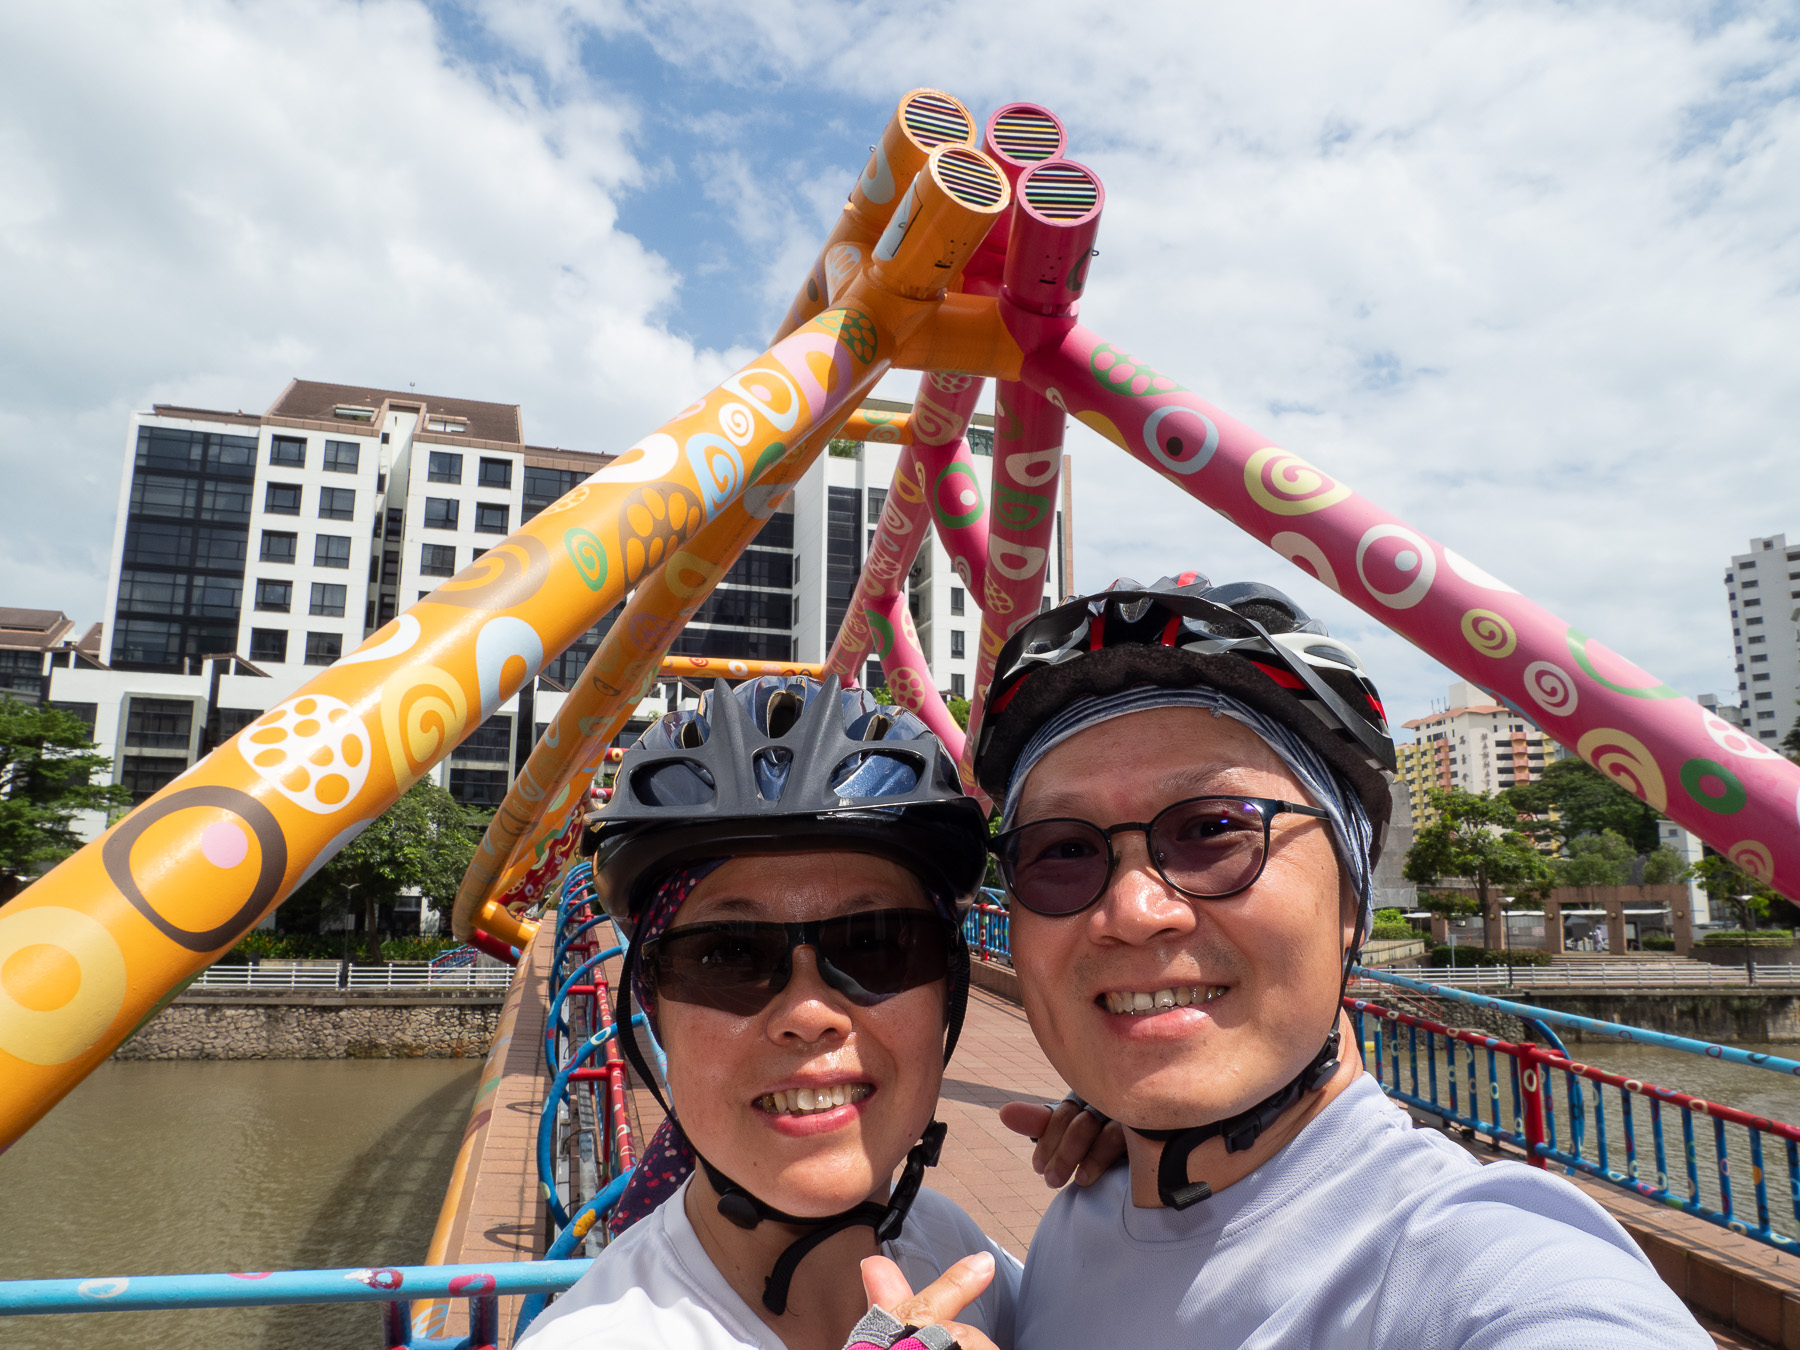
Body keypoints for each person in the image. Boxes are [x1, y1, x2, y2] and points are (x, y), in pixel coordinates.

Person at [863, 574, 1711, 1349]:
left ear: (1351, 901)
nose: (1133, 913)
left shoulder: (1468, 1263)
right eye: (1063, 851)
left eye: (1213, 830)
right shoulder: (1081, 1216)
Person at [517, 674, 1115, 1350]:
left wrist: (1148, 1185)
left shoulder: (953, 1249)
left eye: (875, 944)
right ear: (653, 1008)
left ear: (947, 993)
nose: (808, 1013)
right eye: (728, 954)